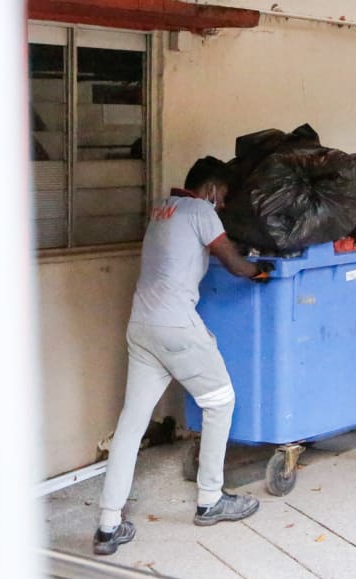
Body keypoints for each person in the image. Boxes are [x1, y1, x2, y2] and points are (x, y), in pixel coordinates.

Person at [93, 156, 273, 555]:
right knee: (220, 401)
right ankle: (210, 499)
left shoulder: (161, 208)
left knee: (130, 425)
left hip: (140, 326)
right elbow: (231, 260)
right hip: (176, 325)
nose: (222, 205)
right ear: (210, 190)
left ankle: (108, 524)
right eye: (223, 197)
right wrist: (258, 271)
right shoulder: (201, 210)